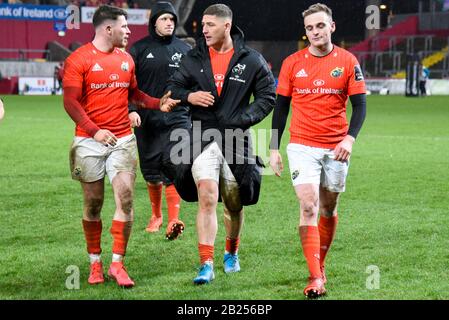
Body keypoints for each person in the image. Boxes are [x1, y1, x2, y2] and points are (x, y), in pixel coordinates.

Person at [62, 5, 180, 288]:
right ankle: (95, 263)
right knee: (93, 204)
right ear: (107, 29)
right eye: (124, 27)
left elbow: (134, 93)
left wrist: (156, 103)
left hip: (123, 140)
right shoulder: (79, 59)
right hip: (89, 141)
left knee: (125, 199)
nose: (129, 31)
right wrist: (94, 131)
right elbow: (70, 101)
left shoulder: (127, 59)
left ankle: (117, 263)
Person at [168, 3, 276, 285]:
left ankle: (231, 251)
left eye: (210, 25)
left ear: (226, 26)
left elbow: (267, 96)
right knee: (206, 194)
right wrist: (189, 97)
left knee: (233, 203)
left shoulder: (251, 59)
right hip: (202, 136)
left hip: (236, 138)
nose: (203, 30)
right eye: (202, 25)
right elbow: (174, 87)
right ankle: (206, 263)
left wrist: (245, 117)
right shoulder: (192, 58)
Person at [269, 3, 367, 298]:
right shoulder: (292, 63)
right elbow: (281, 108)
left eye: (320, 26)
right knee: (309, 205)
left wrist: (349, 139)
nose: (315, 32)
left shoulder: (349, 61)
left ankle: (320, 264)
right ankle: (315, 277)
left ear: (331, 27)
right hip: (301, 145)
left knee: (328, 208)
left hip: (336, 147)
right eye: (310, 28)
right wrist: (274, 148)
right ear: (306, 32)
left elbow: (360, 106)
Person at [128, 1, 192, 240]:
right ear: (154, 21)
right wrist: (131, 109)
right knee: (151, 169)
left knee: (175, 164)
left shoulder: (185, 49)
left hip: (178, 118)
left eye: (172, 20)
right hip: (147, 119)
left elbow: (194, 83)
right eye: (164, 19)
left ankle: (174, 218)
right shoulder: (139, 49)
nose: (169, 23)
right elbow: (128, 84)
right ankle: (156, 215)